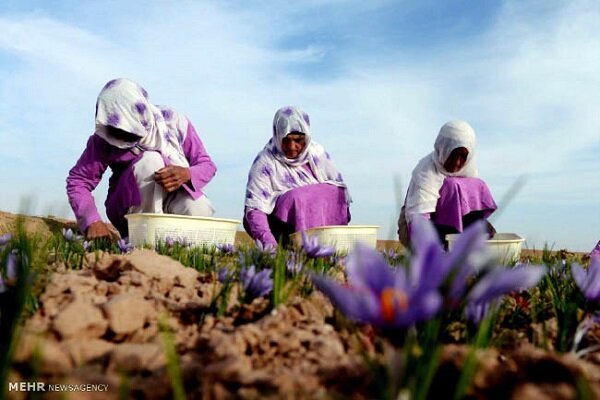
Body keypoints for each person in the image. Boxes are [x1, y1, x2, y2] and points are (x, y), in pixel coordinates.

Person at [66, 78, 216, 240]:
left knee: (198, 207)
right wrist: (91, 220)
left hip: (172, 197)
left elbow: (207, 165)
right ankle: (141, 238)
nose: (120, 137)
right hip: (131, 207)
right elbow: (79, 181)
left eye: (126, 128)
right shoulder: (105, 138)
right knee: (151, 161)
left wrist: (186, 174)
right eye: (115, 128)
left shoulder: (173, 122)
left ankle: (176, 246)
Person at [244, 106, 351, 247]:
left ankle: (326, 244)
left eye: (298, 140)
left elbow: (339, 197)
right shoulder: (266, 162)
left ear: (306, 137)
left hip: (319, 231)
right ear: (277, 136)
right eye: (286, 140)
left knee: (336, 191)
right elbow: (255, 209)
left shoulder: (317, 154)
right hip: (280, 228)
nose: (292, 146)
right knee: (297, 197)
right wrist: (269, 245)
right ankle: (297, 246)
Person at [398, 120, 497, 247]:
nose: (457, 163)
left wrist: (481, 223)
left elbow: (468, 206)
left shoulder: (469, 170)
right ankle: (444, 250)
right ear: (443, 148)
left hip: (450, 233)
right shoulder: (426, 171)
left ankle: (463, 248)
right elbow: (418, 221)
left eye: (463, 156)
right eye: (453, 154)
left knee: (477, 185)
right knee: (452, 186)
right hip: (414, 229)